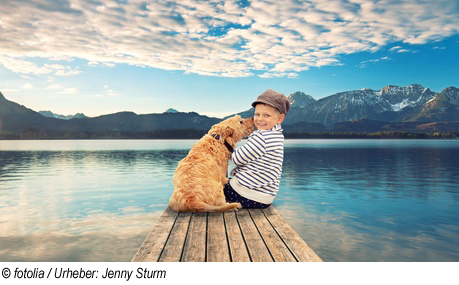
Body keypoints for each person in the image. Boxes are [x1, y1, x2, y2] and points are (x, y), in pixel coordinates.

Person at [224, 89, 290, 209]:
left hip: (246, 195)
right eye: (257, 114)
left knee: (212, 186)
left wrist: (227, 147)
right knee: (225, 181)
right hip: (265, 198)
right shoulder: (277, 136)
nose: (259, 119)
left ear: (280, 118)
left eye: (266, 115)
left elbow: (237, 159)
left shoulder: (262, 137)